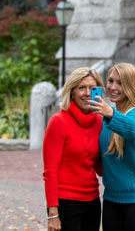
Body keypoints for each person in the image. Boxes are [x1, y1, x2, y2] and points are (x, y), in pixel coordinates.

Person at [89, 62, 135, 231]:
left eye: (120, 83)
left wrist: (109, 113)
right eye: (110, 81)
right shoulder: (106, 117)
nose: (113, 87)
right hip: (112, 198)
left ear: (131, 86)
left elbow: (131, 129)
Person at [42, 68, 104, 231]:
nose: (86, 93)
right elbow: (50, 171)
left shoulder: (99, 121)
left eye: (92, 88)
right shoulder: (58, 122)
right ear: (72, 92)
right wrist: (53, 213)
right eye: (81, 87)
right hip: (66, 203)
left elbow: (99, 167)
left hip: (93, 201)